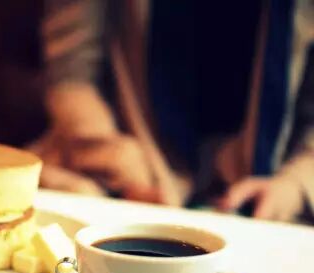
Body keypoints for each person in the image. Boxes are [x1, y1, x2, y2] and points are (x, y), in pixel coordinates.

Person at [34, 0, 314, 222]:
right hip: (124, 163)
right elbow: (71, 81)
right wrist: (118, 160)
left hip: (265, 189)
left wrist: (295, 186)